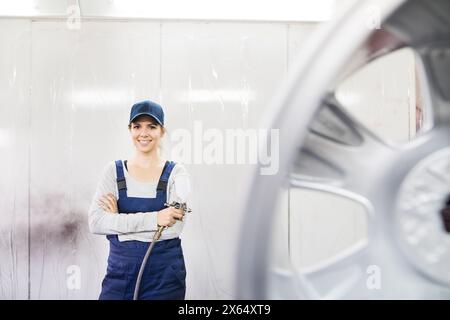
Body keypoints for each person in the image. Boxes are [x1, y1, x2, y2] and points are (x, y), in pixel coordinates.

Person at [88, 100, 190, 300]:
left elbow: (173, 229)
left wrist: (118, 222)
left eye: (151, 126)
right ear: (130, 130)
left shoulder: (176, 174)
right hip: (120, 276)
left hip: (165, 279)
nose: (144, 133)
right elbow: (96, 222)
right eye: (137, 126)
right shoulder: (113, 171)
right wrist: (156, 219)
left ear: (162, 131)